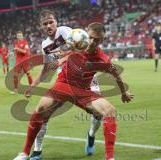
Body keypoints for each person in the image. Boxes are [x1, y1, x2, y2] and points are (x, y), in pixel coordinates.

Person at [13, 22, 133, 160]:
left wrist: (124, 93)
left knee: (110, 111)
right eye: (91, 37)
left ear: (102, 40)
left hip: (83, 91)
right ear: (87, 35)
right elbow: (67, 52)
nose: (92, 42)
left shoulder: (102, 59)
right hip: (63, 84)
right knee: (40, 108)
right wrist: (60, 61)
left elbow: (116, 74)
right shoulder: (77, 42)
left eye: (97, 39)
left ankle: (109, 157)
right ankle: (25, 153)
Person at [29, 10, 102, 160]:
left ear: (56, 22)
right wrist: (34, 84)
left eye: (51, 22)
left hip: (85, 75)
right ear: (41, 26)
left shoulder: (65, 31)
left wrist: (63, 56)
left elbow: (78, 48)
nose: (49, 25)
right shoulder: (45, 45)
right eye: (45, 23)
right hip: (64, 79)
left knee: (98, 112)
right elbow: (48, 66)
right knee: (43, 111)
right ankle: (37, 151)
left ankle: (91, 135)